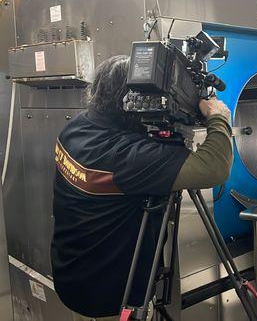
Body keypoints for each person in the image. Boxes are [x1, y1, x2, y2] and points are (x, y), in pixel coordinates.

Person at [51, 55, 233, 320]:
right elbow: (215, 167)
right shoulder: (126, 156)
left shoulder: (78, 127)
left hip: (72, 274)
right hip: (110, 295)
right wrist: (218, 118)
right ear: (132, 100)